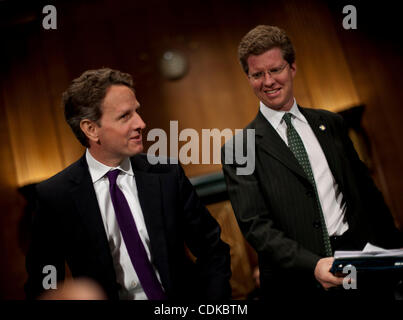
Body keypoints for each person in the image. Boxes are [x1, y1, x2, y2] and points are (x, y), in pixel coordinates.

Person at [221, 25, 402, 299]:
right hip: (298, 283)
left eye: (276, 70)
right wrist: (313, 265)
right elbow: (256, 226)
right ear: (248, 78)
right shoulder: (239, 149)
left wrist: (395, 255)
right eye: (257, 74)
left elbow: (368, 194)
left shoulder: (332, 123)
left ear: (292, 67)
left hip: (364, 272)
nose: (268, 81)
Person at [25, 68, 231, 300]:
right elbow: (45, 282)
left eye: (137, 112)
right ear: (91, 129)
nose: (141, 123)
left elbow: (212, 250)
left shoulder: (167, 174)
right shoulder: (55, 195)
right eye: (125, 116)